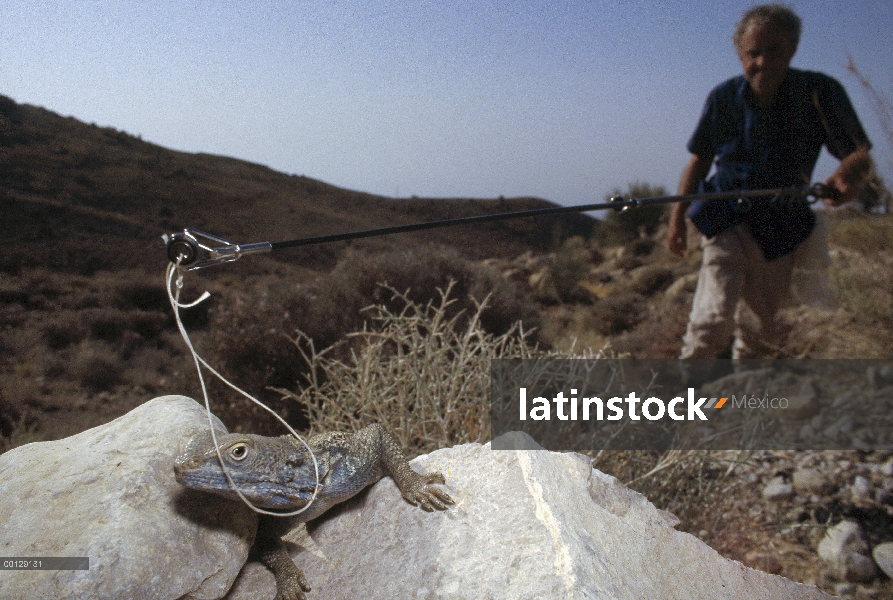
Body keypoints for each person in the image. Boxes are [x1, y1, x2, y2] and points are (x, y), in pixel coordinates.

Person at [667, 4, 871, 360]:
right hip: (723, 219)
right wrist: (676, 222)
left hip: (782, 227)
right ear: (739, 54)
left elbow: (859, 152)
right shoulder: (723, 98)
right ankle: (682, 405)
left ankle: (746, 407)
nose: (763, 62)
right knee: (712, 320)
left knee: (761, 330)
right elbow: (699, 161)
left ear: (792, 48)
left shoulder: (819, 93)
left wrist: (844, 176)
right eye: (753, 53)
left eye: (774, 50)